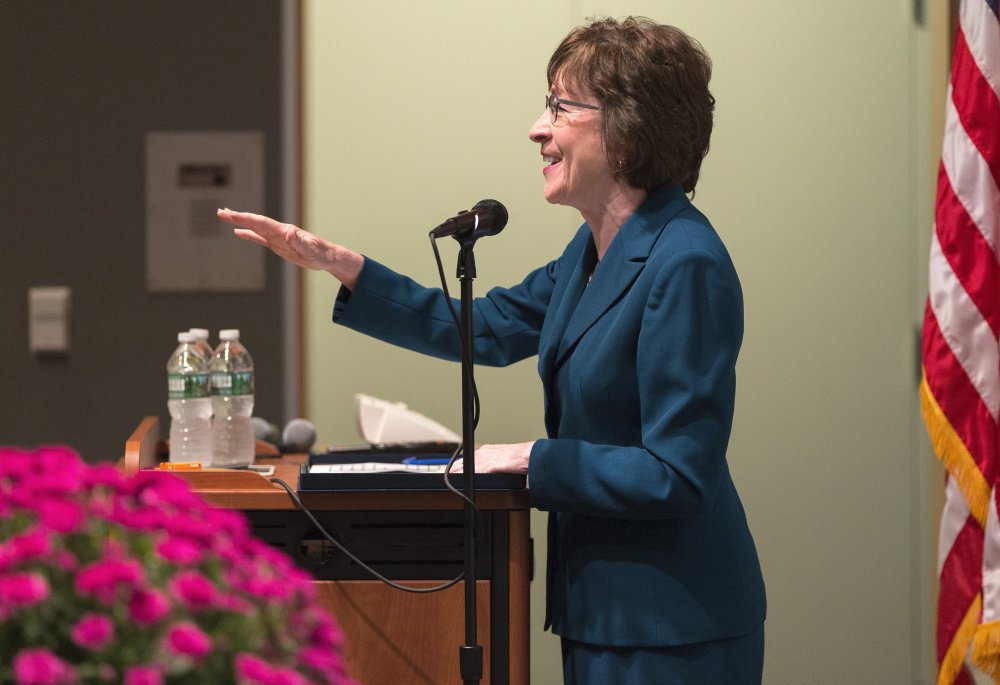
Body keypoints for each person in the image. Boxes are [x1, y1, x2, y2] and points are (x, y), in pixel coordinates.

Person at [218, 16, 765, 684]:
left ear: (631, 127)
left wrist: (536, 459)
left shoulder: (685, 262)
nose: (538, 128)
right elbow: (487, 325)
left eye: (561, 107)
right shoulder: (591, 252)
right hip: (601, 612)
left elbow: (677, 472)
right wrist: (344, 267)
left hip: (673, 624)